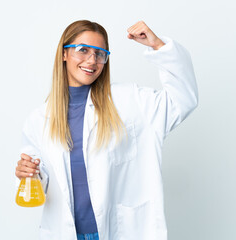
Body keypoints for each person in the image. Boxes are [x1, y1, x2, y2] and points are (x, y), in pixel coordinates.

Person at [15, 20, 198, 240]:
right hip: (65, 233)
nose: (92, 60)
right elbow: (39, 182)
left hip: (121, 231)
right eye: (83, 50)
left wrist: (158, 46)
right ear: (64, 53)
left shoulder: (131, 102)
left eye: (99, 53)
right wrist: (28, 173)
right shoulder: (40, 119)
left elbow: (183, 100)